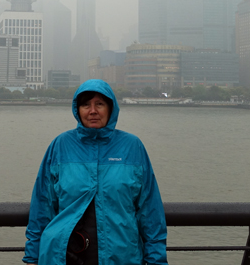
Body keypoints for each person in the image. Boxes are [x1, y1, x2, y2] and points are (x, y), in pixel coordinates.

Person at [23, 79, 168, 265]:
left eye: (99, 104)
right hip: (64, 257)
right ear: (77, 110)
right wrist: (32, 257)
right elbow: (42, 207)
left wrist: (157, 260)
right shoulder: (60, 146)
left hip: (122, 256)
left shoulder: (132, 147)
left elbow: (150, 210)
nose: (93, 111)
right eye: (86, 105)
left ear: (111, 108)